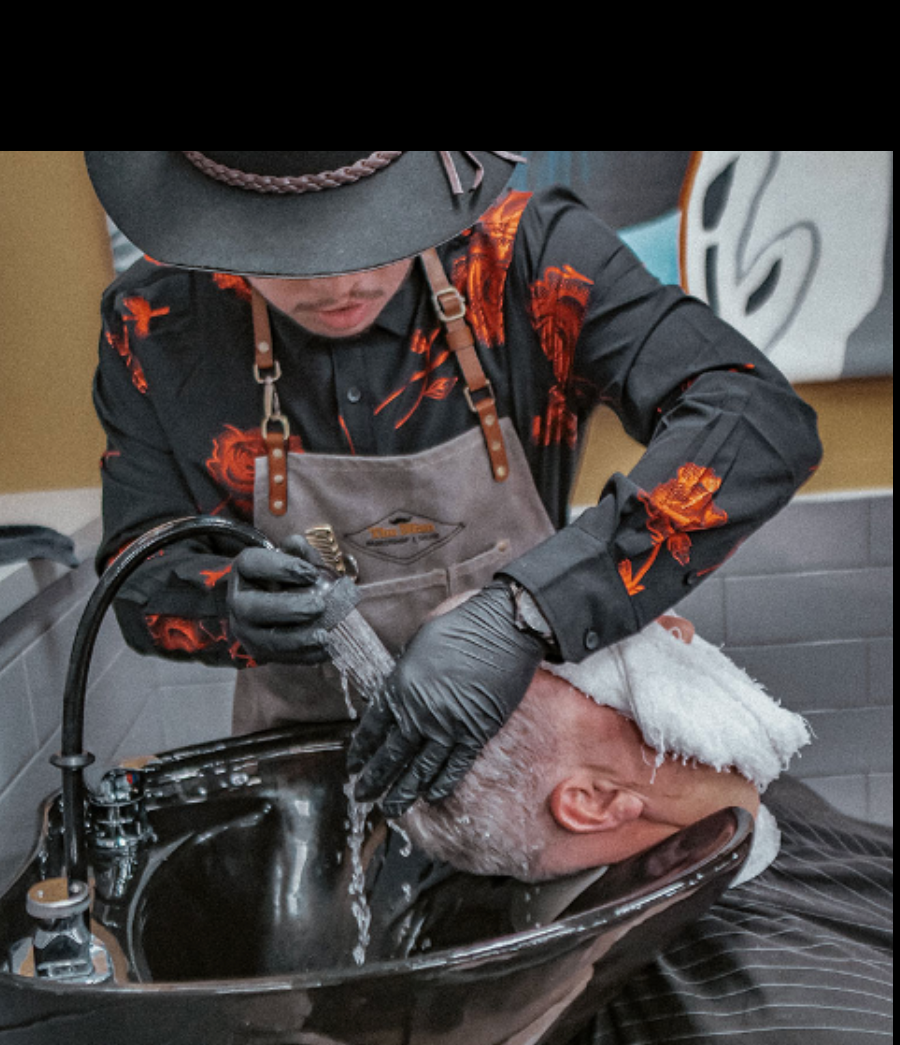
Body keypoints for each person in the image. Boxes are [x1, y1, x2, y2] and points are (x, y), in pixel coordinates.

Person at [85, 151, 823, 816]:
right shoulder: (155, 324)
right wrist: (225, 604)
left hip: (533, 766)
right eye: (287, 250)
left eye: (371, 234)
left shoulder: (527, 259)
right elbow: (139, 574)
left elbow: (758, 417)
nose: (340, 283)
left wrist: (528, 613)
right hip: (309, 788)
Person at [399, 608, 894, 1045]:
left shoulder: (719, 799)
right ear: (595, 802)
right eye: (605, 657)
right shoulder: (762, 1027)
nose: (678, 629)